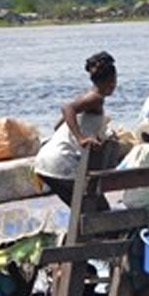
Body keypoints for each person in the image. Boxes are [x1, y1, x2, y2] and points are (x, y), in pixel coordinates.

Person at [35, 51, 117, 211]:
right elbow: (67, 109)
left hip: (45, 162)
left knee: (81, 209)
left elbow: (59, 124)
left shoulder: (87, 97)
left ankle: (79, 236)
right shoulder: (96, 98)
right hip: (60, 162)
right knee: (99, 209)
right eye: (114, 82)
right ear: (111, 81)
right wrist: (80, 138)